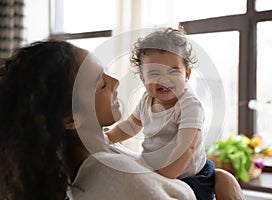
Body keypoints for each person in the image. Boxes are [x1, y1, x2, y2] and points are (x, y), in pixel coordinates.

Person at [0, 40, 245, 200]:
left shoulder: (105, 158)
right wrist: (226, 182)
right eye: (101, 83)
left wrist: (222, 177)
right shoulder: (125, 182)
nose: (116, 82)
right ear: (71, 119)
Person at [105, 27, 214, 199]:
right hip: (154, 169)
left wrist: (163, 177)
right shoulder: (147, 99)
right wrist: (109, 137)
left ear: (187, 74)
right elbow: (131, 126)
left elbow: (186, 147)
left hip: (189, 176)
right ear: (143, 78)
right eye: (154, 72)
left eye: (173, 71)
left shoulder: (190, 105)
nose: (164, 79)